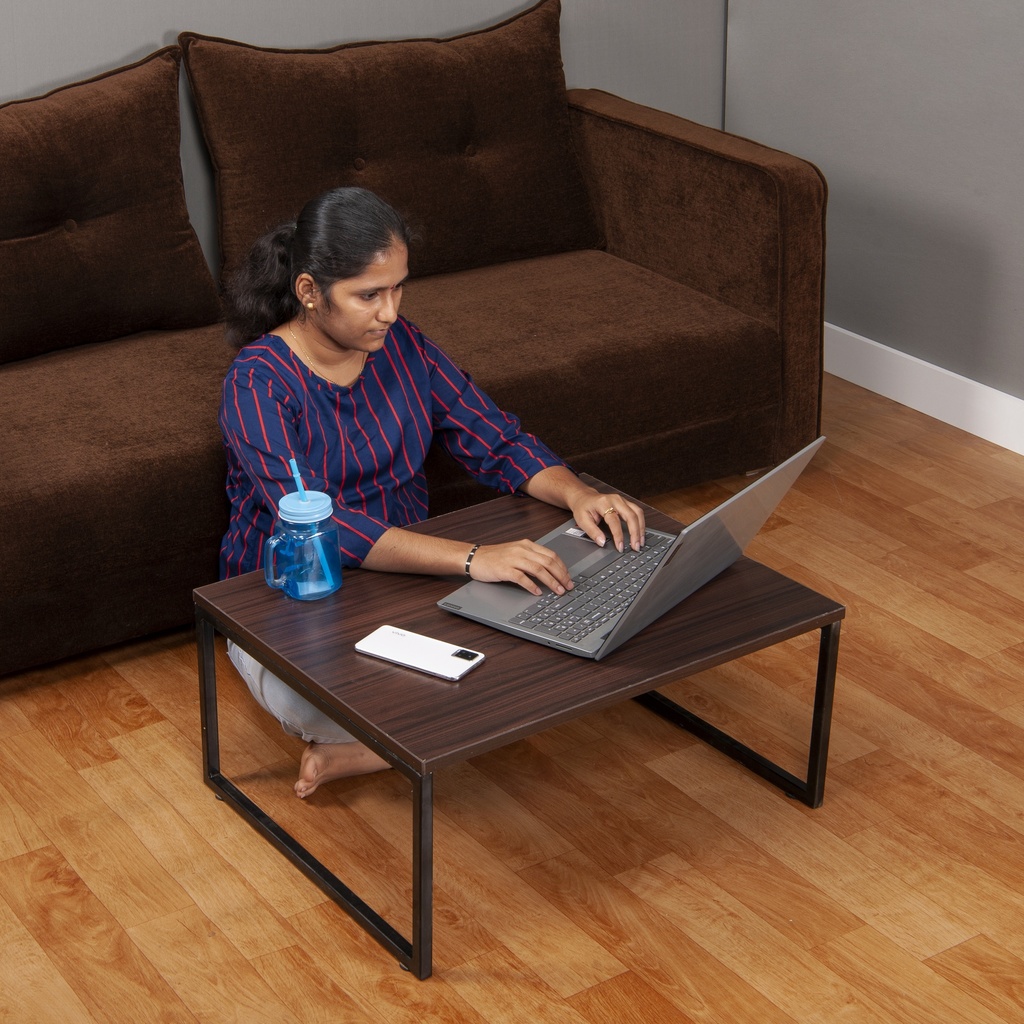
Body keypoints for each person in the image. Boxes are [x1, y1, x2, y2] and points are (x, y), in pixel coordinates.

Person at [219, 186, 645, 798]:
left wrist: (578, 494)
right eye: (369, 295)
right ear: (309, 291)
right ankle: (370, 739)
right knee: (334, 702)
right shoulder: (257, 383)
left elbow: (495, 439)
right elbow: (321, 526)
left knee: (535, 642)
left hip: (404, 578)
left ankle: (377, 746)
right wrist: (474, 558)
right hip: (289, 597)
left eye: (398, 288)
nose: (389, 312)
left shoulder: (405, 346)